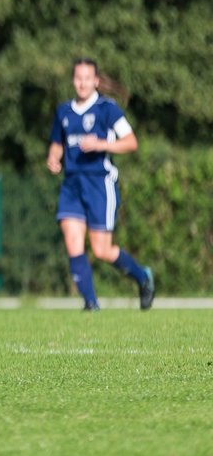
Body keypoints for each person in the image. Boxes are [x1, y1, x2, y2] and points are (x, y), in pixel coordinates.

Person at [46, 58, 154, 311]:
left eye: (87, 78)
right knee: (73, 242)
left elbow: (131, 142)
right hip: (72, 184)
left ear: (95, 81)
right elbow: (57, 143)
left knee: (101, 250)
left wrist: (101, 144)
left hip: (99, 184)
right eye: (78, 78)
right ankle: (91, 304)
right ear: (73, 80)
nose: (82, 83)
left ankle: (143, 277)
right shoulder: (64, 111)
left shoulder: (108, 109)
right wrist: (53, 158)